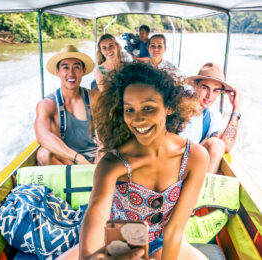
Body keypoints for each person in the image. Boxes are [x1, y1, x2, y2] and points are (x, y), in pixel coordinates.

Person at [61, 63, 209, 260]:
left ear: (170, 107)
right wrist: (91, 256)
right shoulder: (113, 163)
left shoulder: (195, 157)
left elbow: (174, 231)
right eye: (129, 109)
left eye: (148, 108)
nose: (138, 119)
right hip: (117, 241)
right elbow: (96, 215)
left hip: (161, 240)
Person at [34, 45, 99, 165]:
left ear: (83, 71)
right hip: (67, 160)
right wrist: (78, 159)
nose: (71, 73)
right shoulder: (47, 104)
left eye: (76, 67)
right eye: (65, 68)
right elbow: (42, 137)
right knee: (44, 154)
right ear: (57, 72)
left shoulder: (94, 98)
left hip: (96, 158)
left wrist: (99, 158)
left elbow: (108, 134)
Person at [180, 62, 241, 174]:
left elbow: (225, 146)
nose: (209, 96)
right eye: (205, 88)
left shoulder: (212, 115)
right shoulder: (178, 104)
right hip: (166, 159)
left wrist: (236, 108)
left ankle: (202, 190)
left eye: (216, 90)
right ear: (195, 85)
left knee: (217, 144)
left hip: (187, 165)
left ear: (220, 93)